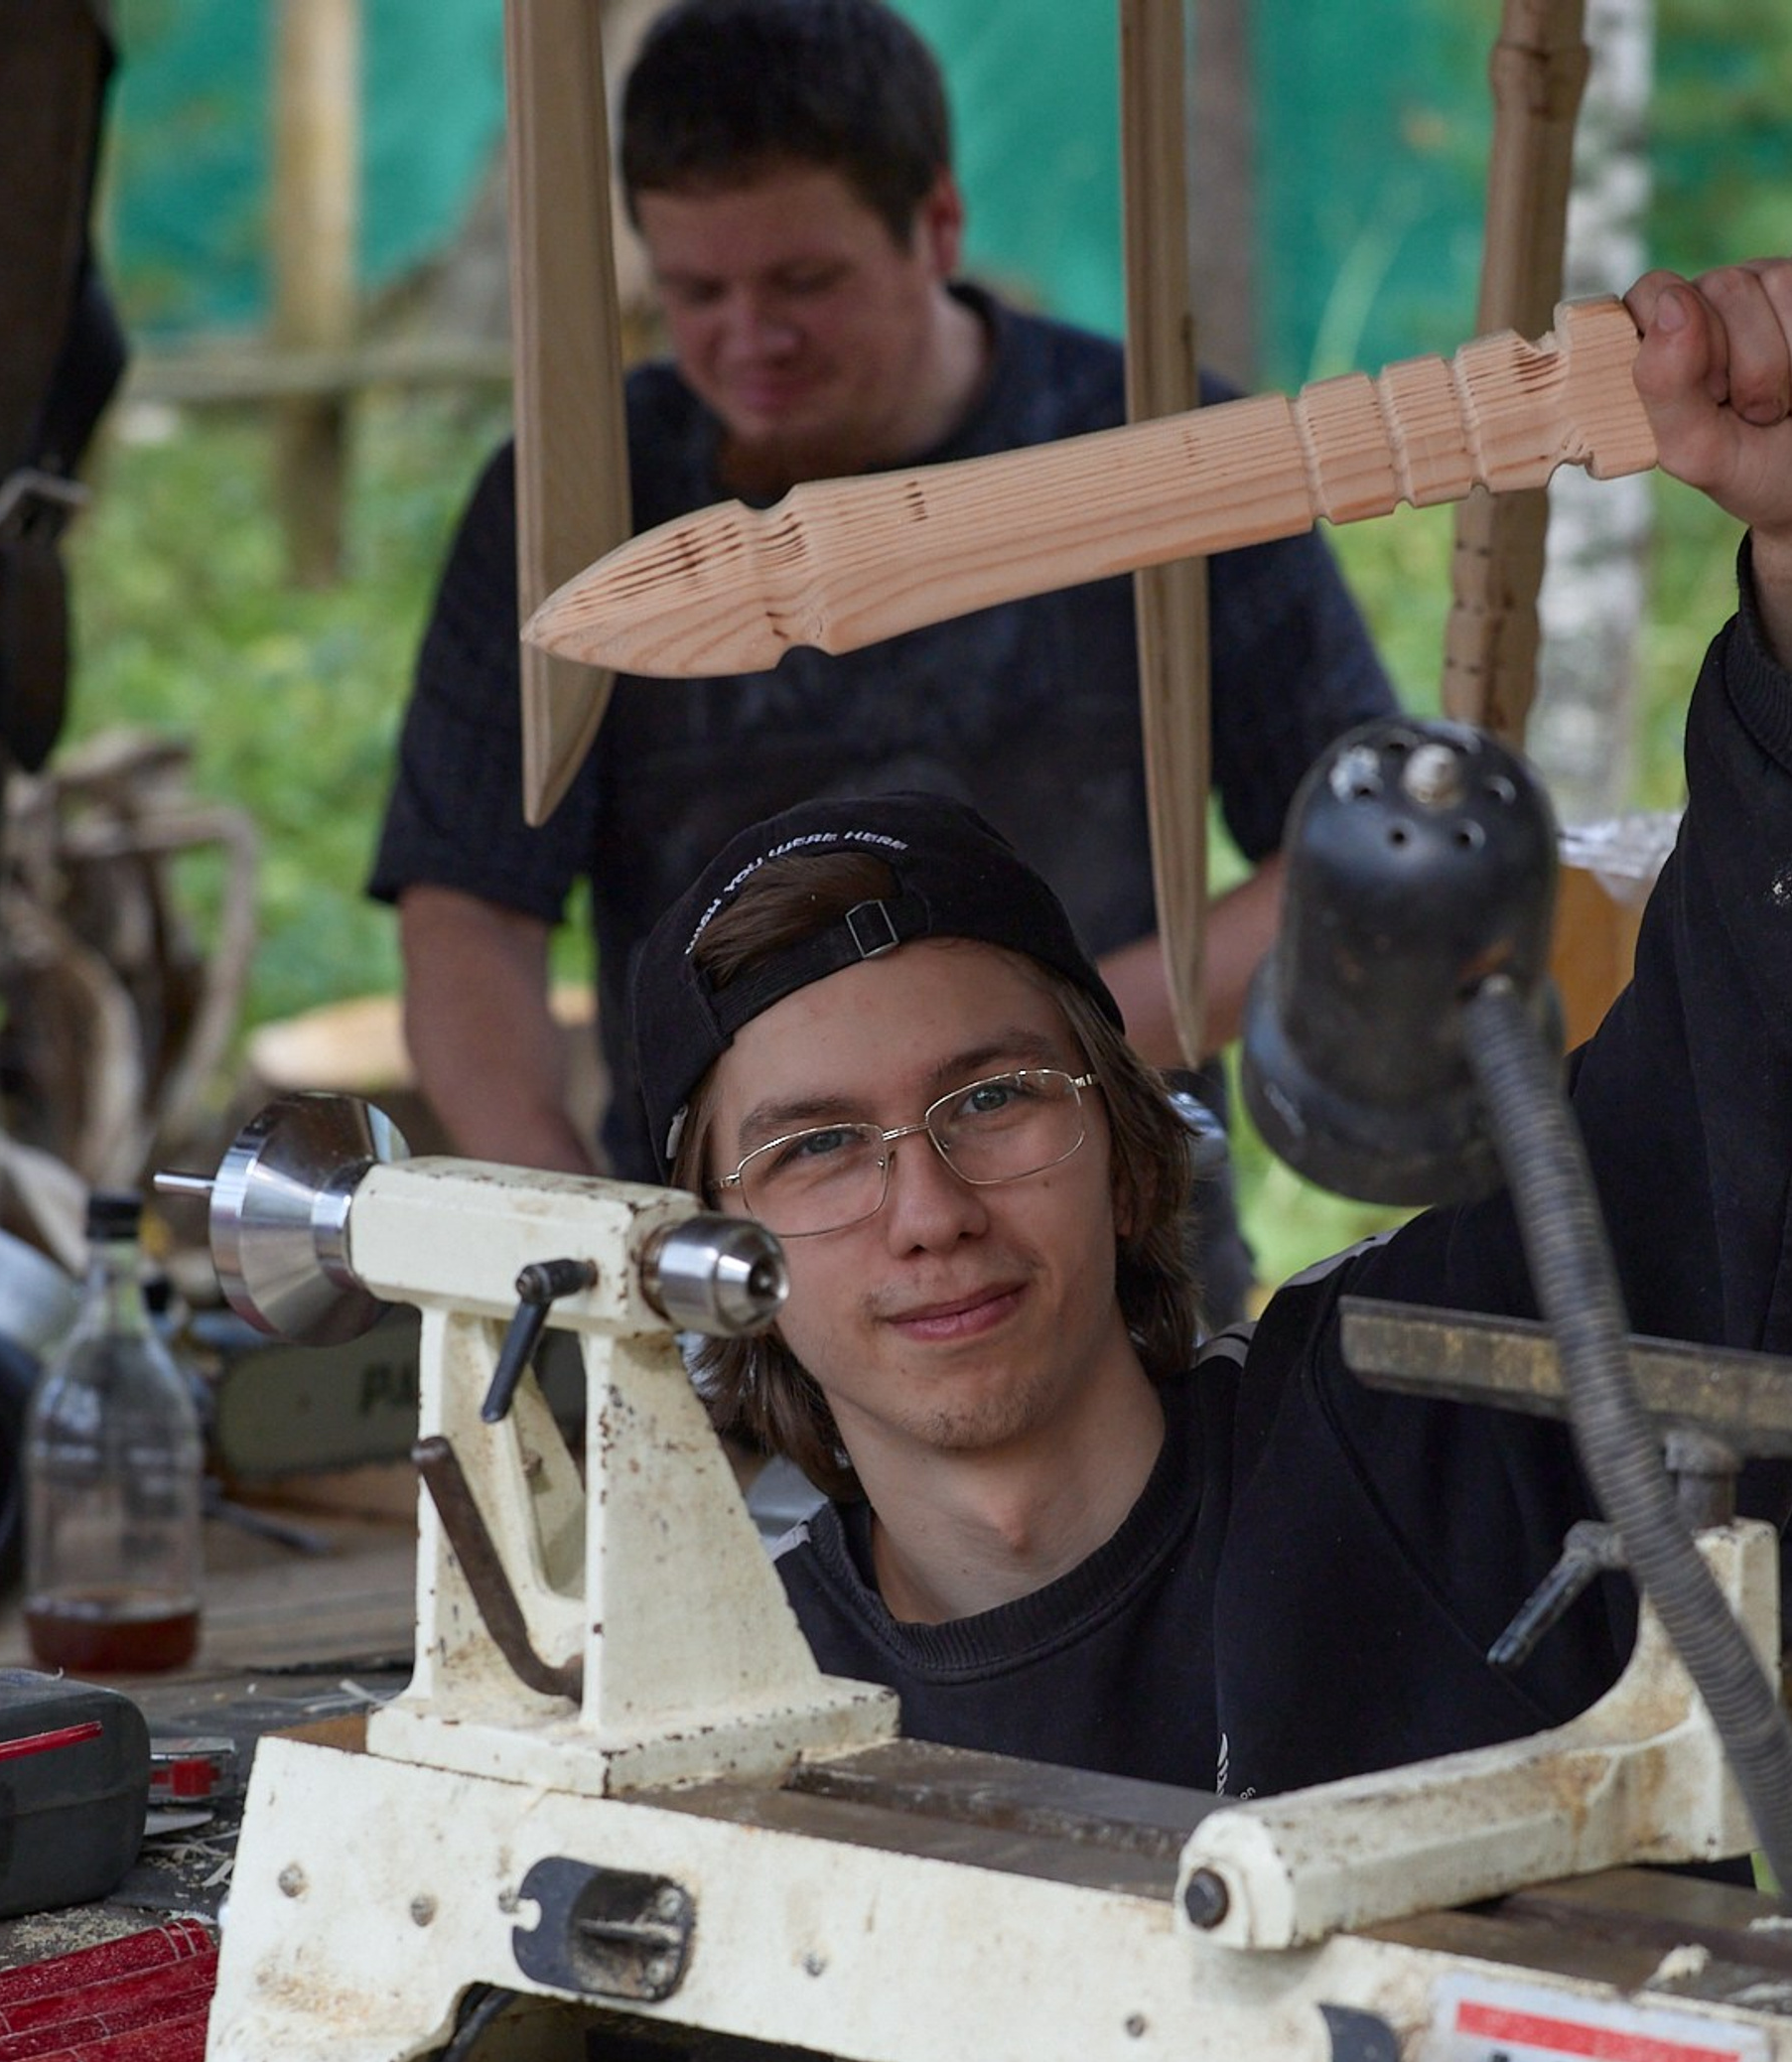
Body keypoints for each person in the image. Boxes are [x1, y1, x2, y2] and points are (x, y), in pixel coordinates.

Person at [627, 245, 1792, 2062]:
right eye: (816, 1148)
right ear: (709, 1253)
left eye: (992, 1094)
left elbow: (1750, 1094)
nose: (923, 1207)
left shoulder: (1421, 1431)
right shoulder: (703, 1724)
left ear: (1120, 1130)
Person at [370, 0, 1397, 1311]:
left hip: (1114, 1243)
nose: (751, 341)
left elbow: (1348, 852)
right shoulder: (571, 509)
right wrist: (578, 1237)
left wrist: (1020, 1075)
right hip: (720, 1279)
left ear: (940, 225)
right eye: (696, 292)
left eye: (804, 282)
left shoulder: (1164, 462)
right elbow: (467, 911)